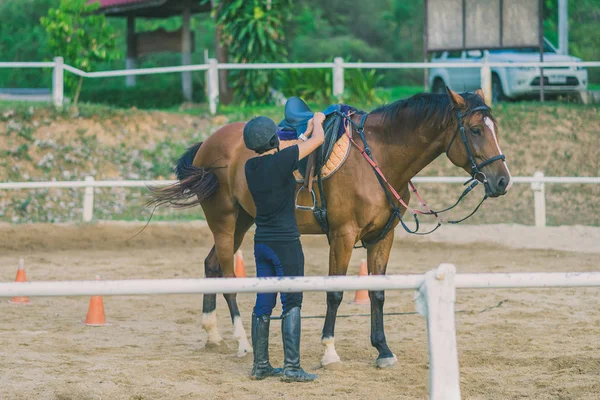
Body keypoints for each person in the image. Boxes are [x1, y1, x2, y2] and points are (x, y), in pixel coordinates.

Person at [243, 112, 326, 382]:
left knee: (263, 302)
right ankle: (292, 367)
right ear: (272, 139)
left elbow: (291, 151)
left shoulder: (250, 167)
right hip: (286, 244)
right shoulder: (281, 161)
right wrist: (318, 121)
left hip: (262, 243)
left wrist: (301, 136)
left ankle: (261, 365)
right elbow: (319, 140)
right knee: (292, 302)